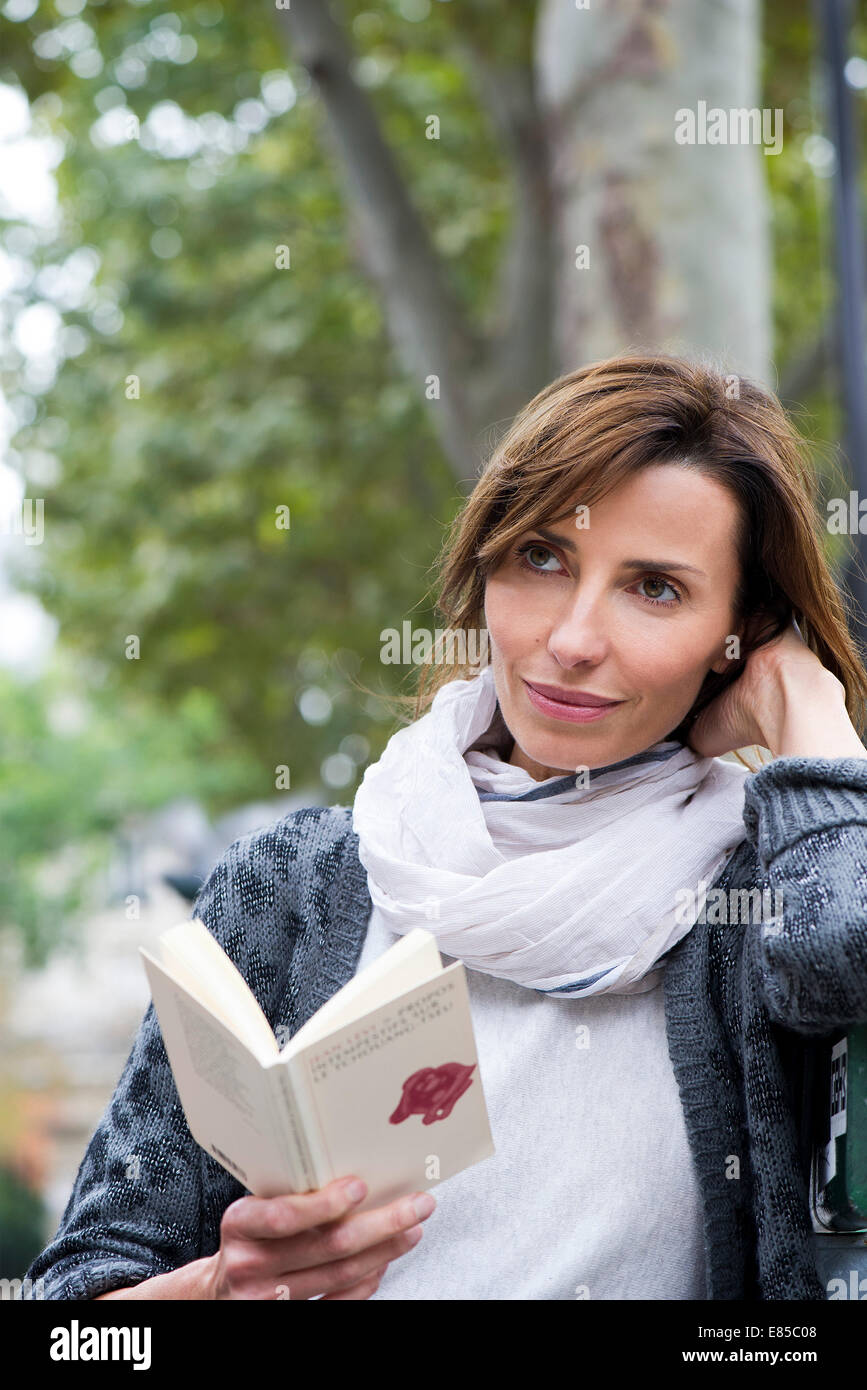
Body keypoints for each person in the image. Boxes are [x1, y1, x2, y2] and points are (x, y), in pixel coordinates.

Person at [25, 353, 867, 1300]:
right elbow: (75, 1316)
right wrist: (220, 1287)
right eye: (541, 558)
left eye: (655, 589)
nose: (573, 639)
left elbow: (849, 952)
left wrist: (808, 712)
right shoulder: (296, 886)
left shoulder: (757, 907)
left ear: (739, 632)